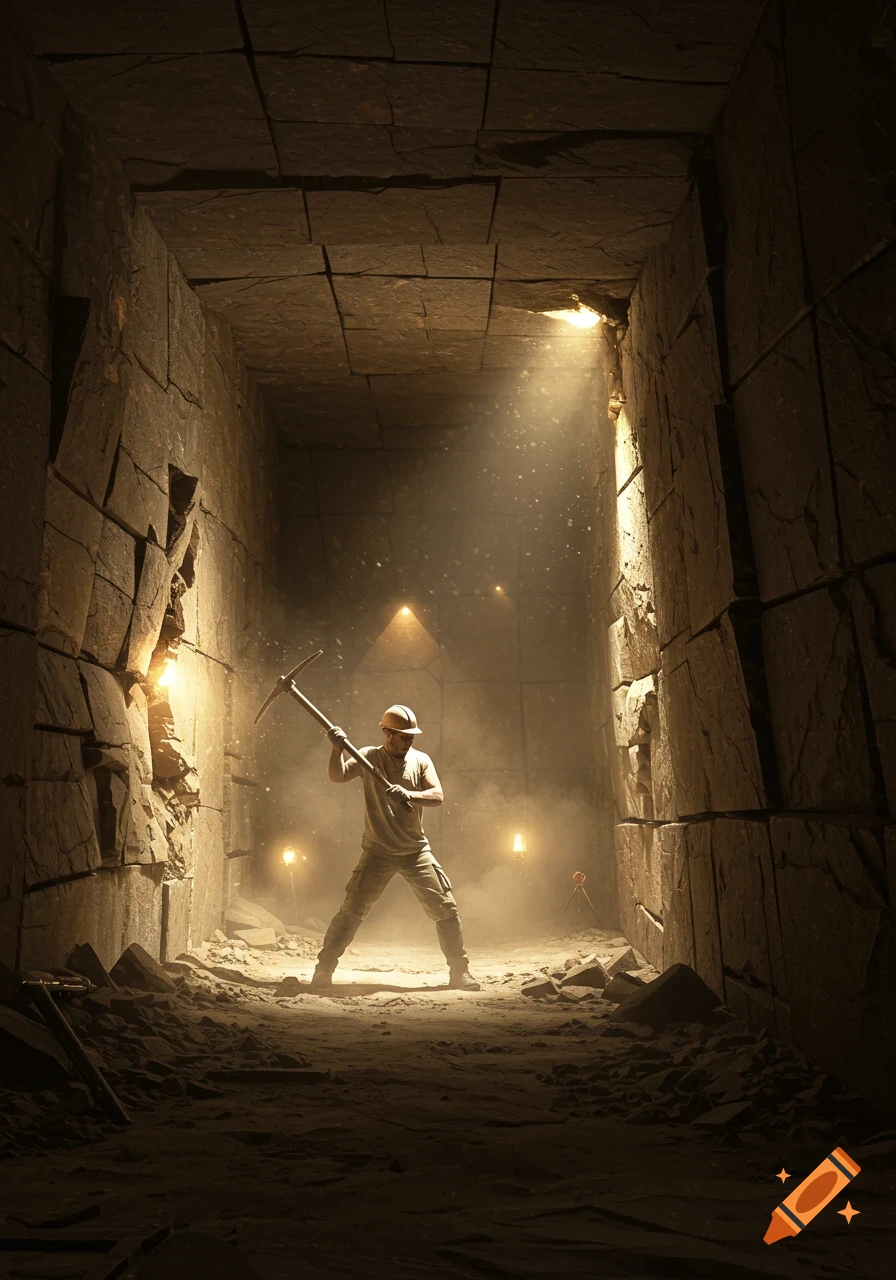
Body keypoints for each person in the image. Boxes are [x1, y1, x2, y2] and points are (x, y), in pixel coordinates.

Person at [310, 704, 480, 992]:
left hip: (415, 850)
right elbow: (336, 777)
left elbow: (437, 796)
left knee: (446, 908)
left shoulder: (421, 760)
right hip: (378, 850)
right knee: (352, 910)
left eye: (411, 736)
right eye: (403, 736)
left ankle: (459, 972)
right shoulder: (367, 757)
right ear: (387, 733)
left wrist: (409, 794)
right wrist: (337, 749)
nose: (409, 741)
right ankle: (323, 969)